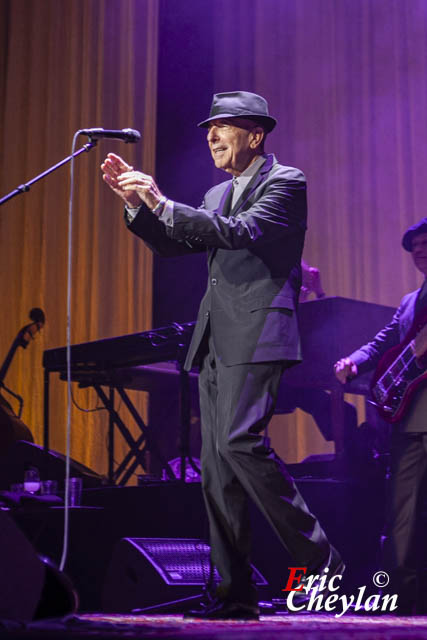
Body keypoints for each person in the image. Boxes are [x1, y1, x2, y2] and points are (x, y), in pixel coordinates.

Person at [101, 91, 343, 619]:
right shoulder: (213, 194)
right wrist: (135, 204)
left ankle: (325, 568)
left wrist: (161, 200)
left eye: (224, 126)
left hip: (260, 331)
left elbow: (242, 232)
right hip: (214, 339)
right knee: (217, 468)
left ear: (255, 135)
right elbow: (174, 245)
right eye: (208, 127)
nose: (211, 135)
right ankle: (234, 594)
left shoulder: (286, 181)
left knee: (240, 442)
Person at [334, 218, 427, 614]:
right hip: (410, 422)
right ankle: (400, 600)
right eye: (415, 246)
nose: (420, 251)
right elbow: (383, 340)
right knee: (400, 514)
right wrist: (352, 362)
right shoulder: (409, 302)